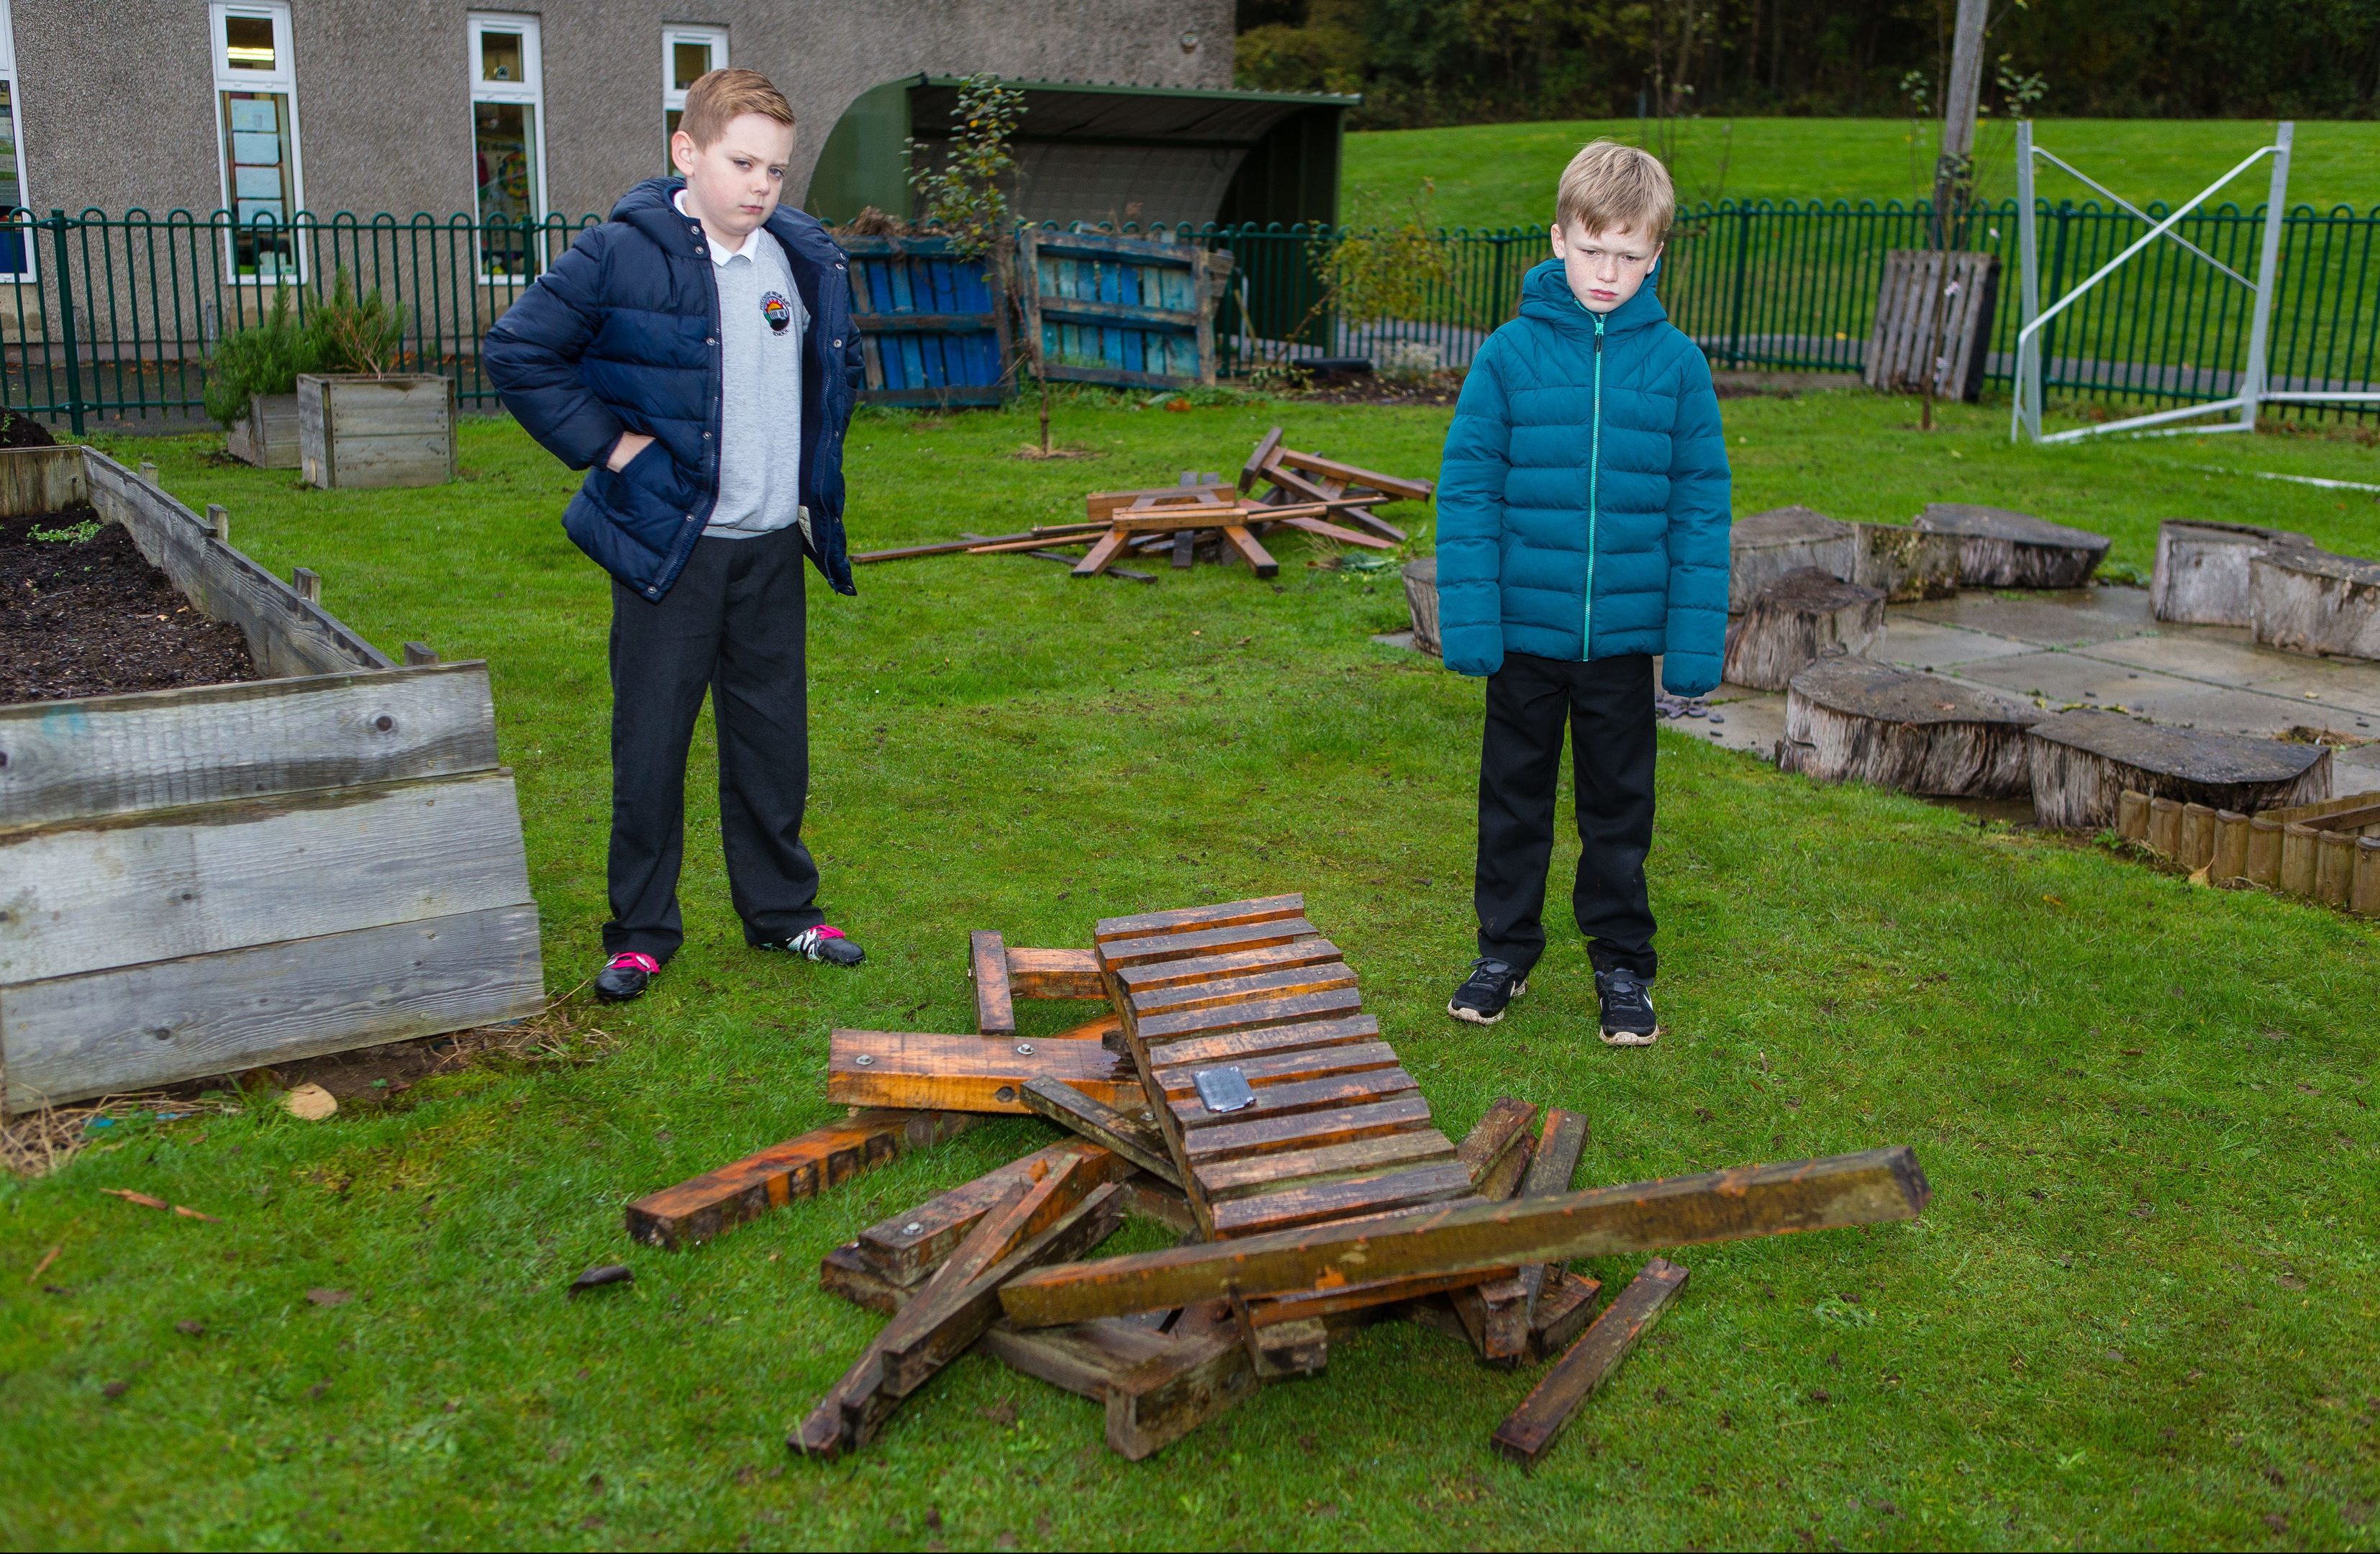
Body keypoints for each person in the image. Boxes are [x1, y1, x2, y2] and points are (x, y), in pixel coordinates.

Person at [484, 68, 867, 1004]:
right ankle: (642, 932)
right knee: (652, 743)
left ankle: (783, 914)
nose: (761, 187)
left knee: (774, 742)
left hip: (774, 547)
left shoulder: (800, 256)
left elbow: (825, 377)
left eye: (776, 169)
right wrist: (615, 449)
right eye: (742, 163)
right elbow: (519, 350)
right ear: (686, 153)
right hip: (674, 547)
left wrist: (812, 478)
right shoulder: (624, 253)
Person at [1433, 138, 1731, 1045]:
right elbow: (1469, 491)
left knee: (1617, 812)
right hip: (1523, 636)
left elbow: (1700, 508)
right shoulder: (1508, 357)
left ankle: (1622, 967)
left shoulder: (1677, 367)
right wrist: (1473, 620)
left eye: (1629, 255)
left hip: (1618, 649)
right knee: (1512, 801)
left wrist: (1689, 643)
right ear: (1558, 239)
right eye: (1593, 249)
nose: (1608, 273)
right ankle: (1504, 950)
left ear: (1656, 257)